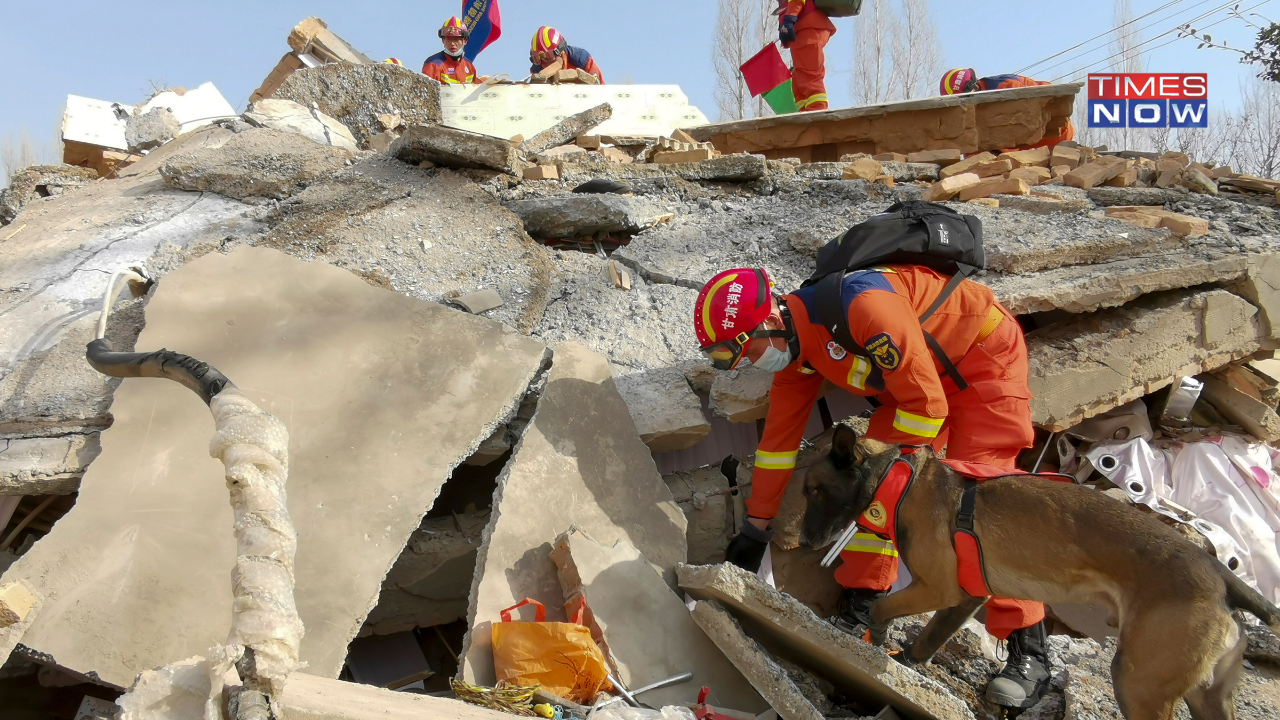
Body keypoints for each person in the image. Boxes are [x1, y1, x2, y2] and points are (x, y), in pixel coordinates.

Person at [694, 266, 1050, 710]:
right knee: (872, 493)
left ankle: (1029, 652)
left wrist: (898, 473)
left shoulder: (864, 307)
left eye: (742, 351)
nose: (746, 363)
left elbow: (928, 405)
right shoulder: (798, 356)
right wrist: (756, 526)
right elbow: (777, 447)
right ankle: (862, 611)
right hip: (918, 386)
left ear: (770, 321)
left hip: (982, 363)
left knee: (988, 506)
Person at [939, 68, 1075, 149]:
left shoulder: (1007, 88)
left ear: (975, 88)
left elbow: (1038, 119)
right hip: (1030, 146)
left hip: (1055, 136)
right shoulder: (973, 112)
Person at [777, 1, 837, 111]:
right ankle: (805, 114)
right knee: (799, 80)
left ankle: (816, 112)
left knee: (809, 77)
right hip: (803, 29)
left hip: (808, 29)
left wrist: (788, 20)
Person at [529, 26, 604, 84]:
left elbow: (600, 89)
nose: (544, 63)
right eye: (537, 59)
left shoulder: (582, 60)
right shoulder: (537, 71)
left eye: (548, 56)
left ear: (560, 51)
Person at [422, 17, 486, 85]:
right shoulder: (433, 65)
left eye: (456, 39)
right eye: (449, 39)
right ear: (443, 40)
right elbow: (427, 93)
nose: (452, 43)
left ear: (465, 40)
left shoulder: (470, 67)